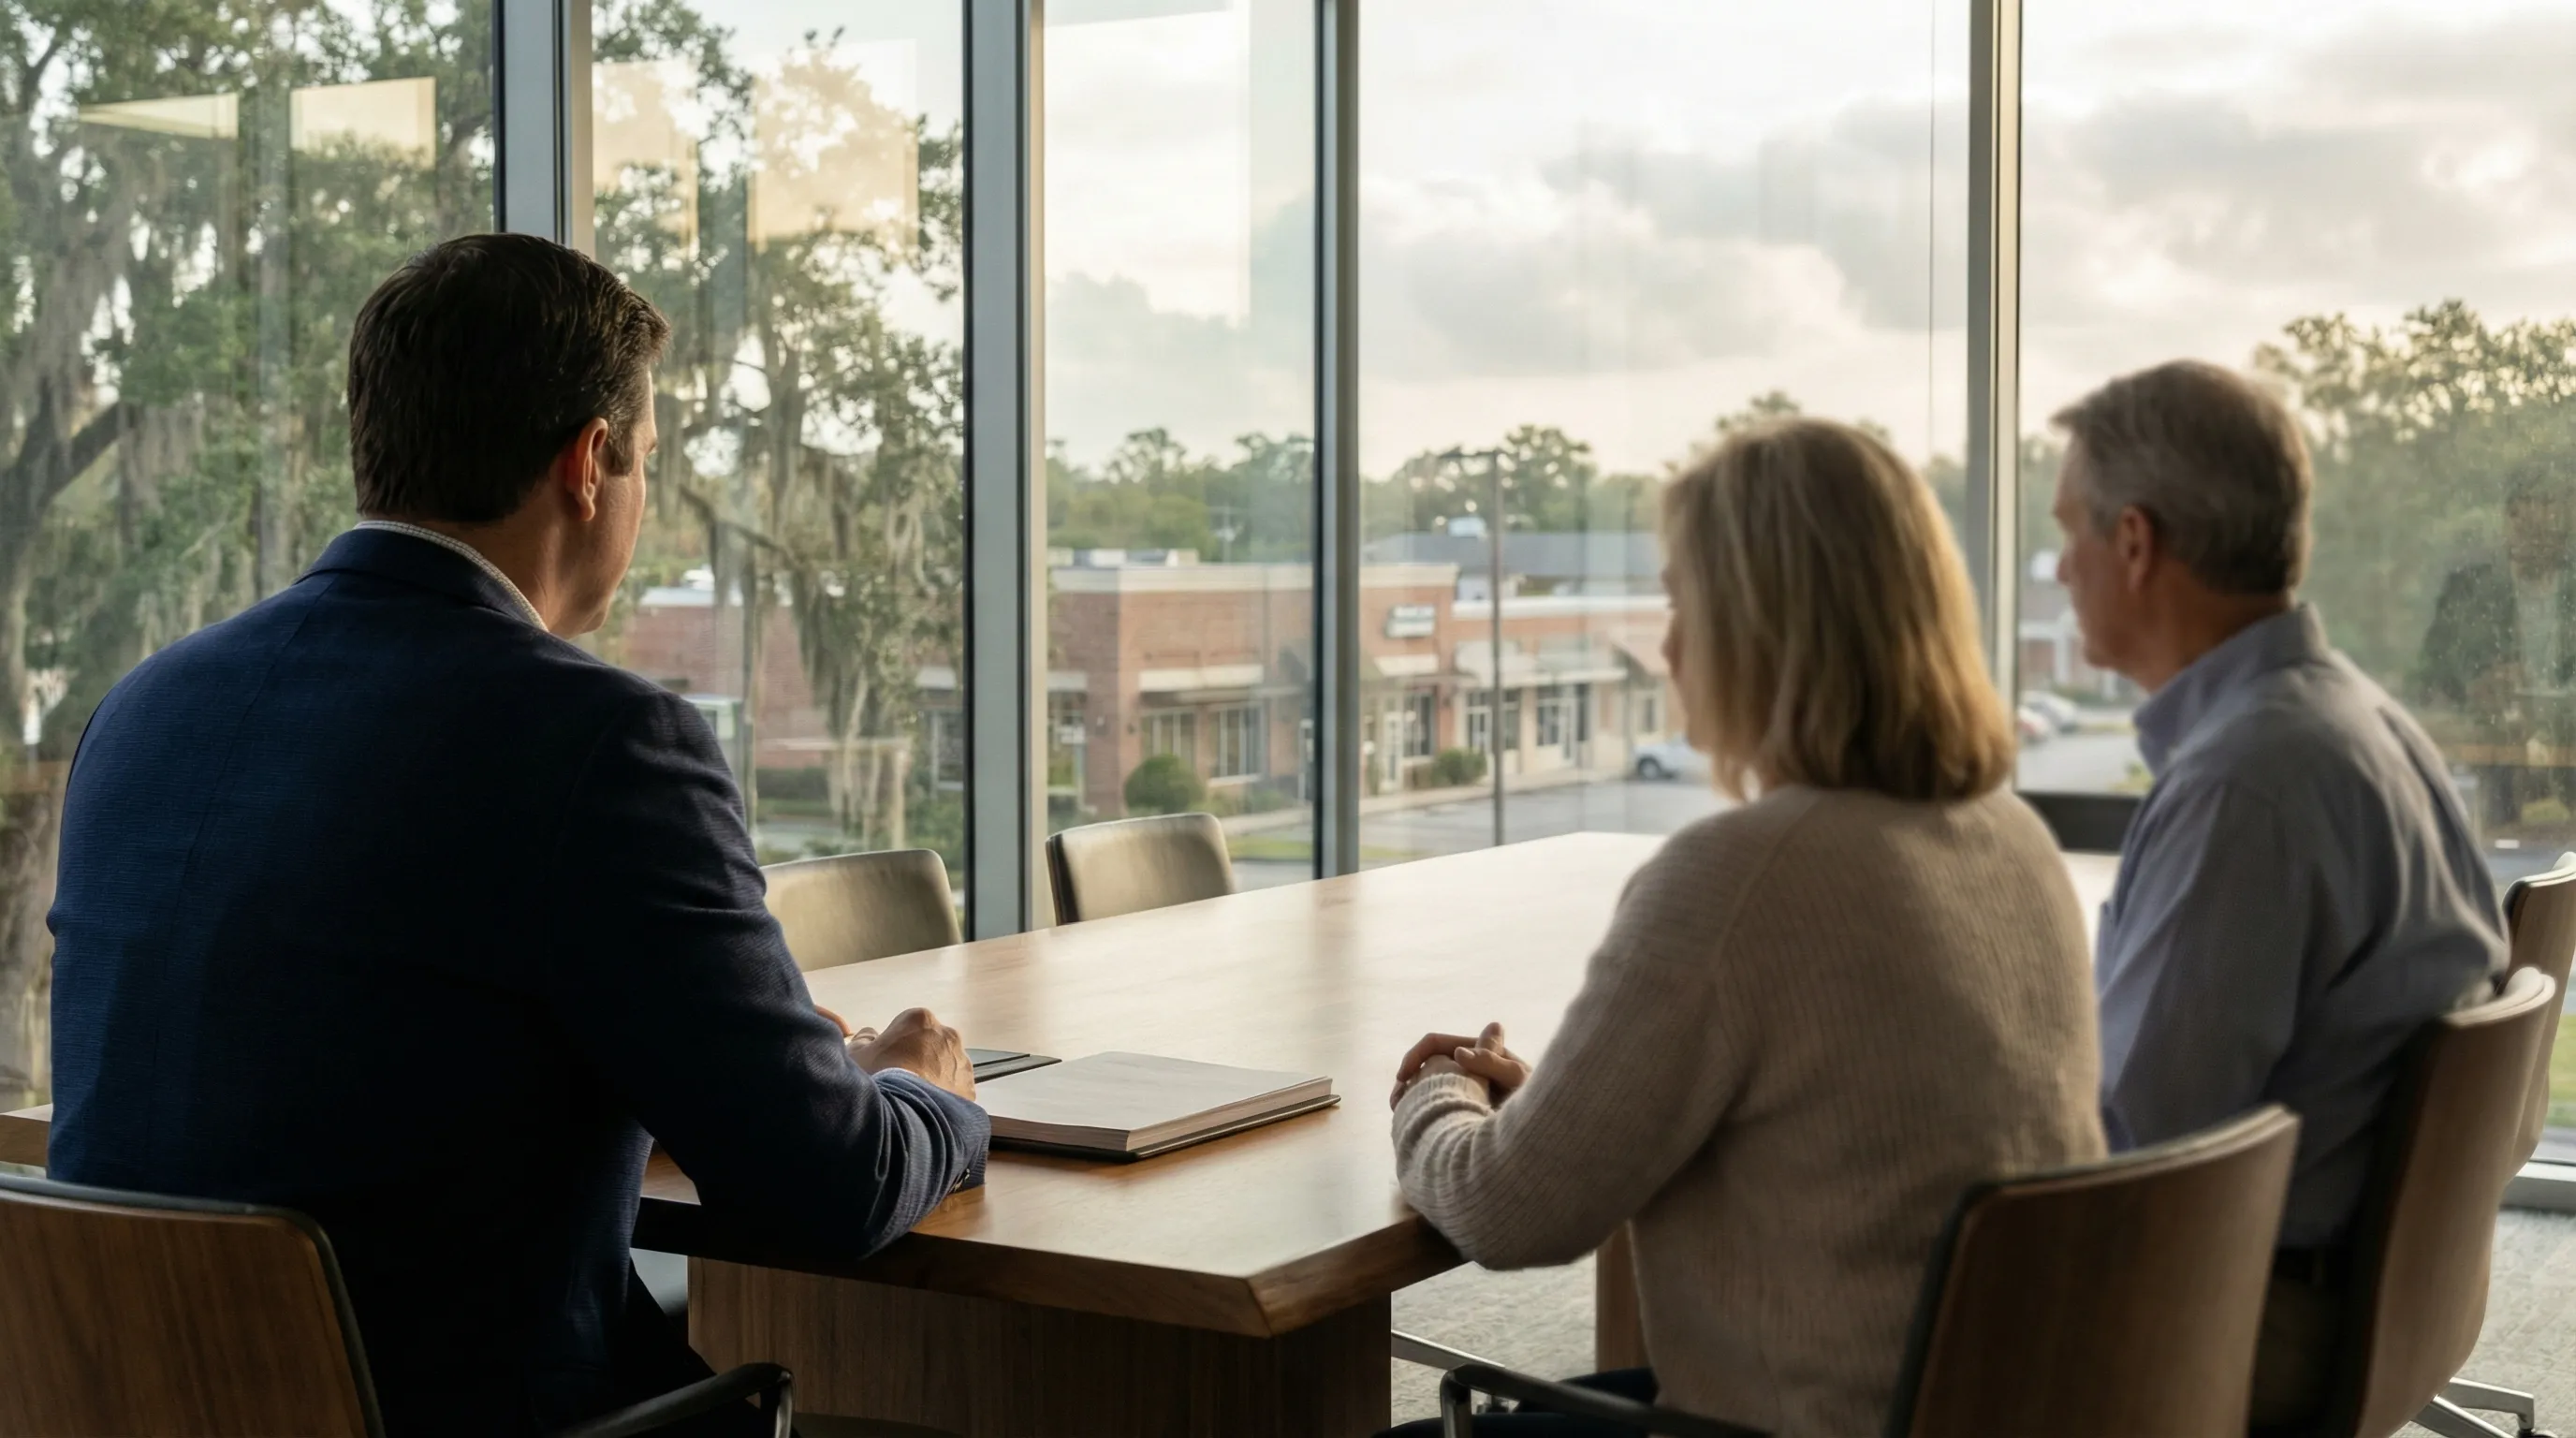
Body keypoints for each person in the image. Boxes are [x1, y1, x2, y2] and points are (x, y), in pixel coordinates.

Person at [45, 235, 990, 1437]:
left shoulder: (140, 709)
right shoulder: (599, 740)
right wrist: (924, 1092)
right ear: (588, 464)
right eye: (646, 462)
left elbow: (363, 1048)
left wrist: (703, 1061)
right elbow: (827, 1188)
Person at [1383, 418, 2105, 1437]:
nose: (1668, 646)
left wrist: (1438, 1095)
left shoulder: (1741, 878)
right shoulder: (2011, 841)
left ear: (1764, 626)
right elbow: (1835, 1134)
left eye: (1683, 603)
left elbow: (1510, 1213)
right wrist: (1563, 1102)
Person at [2049, 360, 2506, 1426]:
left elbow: (2137, 1156)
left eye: (2068, 531)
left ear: (2133, 542)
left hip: (2238, 1325)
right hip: (2364, 1296)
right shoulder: (2356, 719)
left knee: (1812, 1265)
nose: (2058, 567)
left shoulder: (2242, 785)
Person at [2415, 461, 2576, 829]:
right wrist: (2475, 689)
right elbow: (2425, 683)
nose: (2536, 519)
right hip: (2491, 772)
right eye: (2524, 508)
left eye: (2549, 507)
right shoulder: (2467, 592)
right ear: (2508, 517)